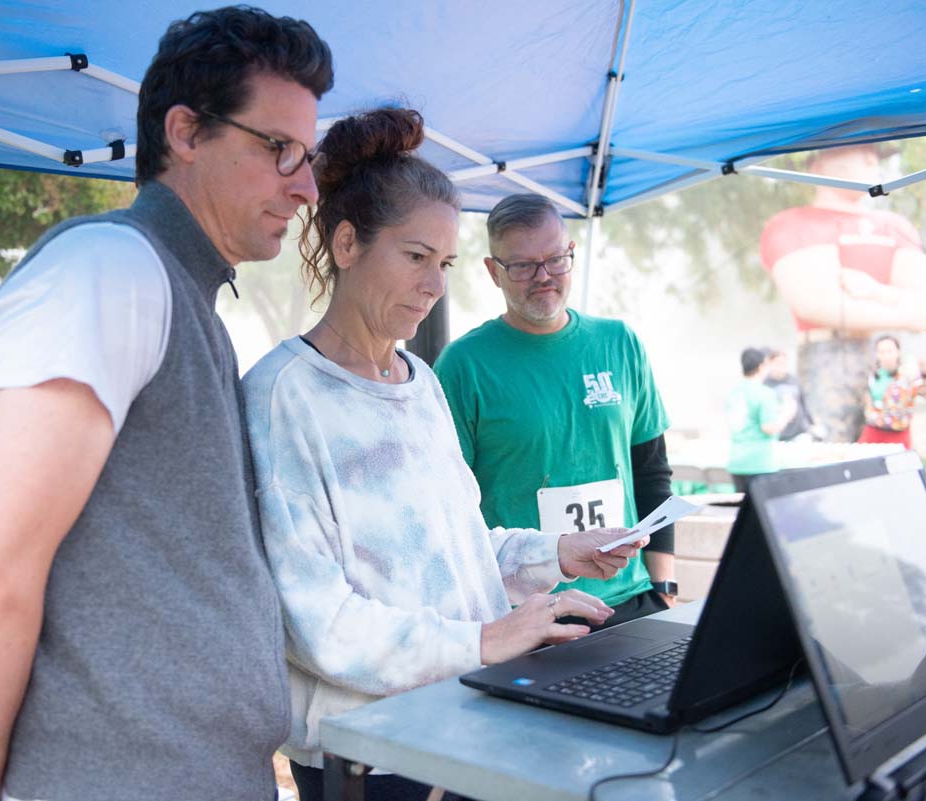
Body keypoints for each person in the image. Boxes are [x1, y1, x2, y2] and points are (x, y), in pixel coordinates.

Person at [0, 9, 333, 801]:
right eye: (279, 148)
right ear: (186, 132)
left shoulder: (184, 298)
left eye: (307, 156)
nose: (308, 186)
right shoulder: (109, 270)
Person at [241, 108, 646, 801]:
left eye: (446, 264)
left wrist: (557, 553)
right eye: (415, 257)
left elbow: (458, 554)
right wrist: (486, 639)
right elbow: (317, 624)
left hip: (463, 719)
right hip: (366, 754)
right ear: (345, 244)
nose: (434, 286)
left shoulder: (420, 382)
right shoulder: (284, 395)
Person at [434, 193, 680, 627]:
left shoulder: (620, 343)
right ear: (494, 272)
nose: (543, 277)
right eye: (523, 266)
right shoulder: (463, 365)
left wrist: (664, 587)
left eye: (555, 260)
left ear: (572, 254)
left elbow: (652, 471)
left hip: (631, 599)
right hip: (529, 614)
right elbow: (449, 508)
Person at [760, 143, 926, 442]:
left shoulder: (897, 227)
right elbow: (817, 304)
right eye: (858, 149)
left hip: (884, 360)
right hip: (827, 361)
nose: (870, 159)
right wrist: (899, 305)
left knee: (886, 453)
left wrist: (871, 292)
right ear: (816, 162)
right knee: (831, 452)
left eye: (875, 153)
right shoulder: (794, 224)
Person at [726, 347, 796, 492]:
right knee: (761, 513)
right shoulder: (764, 394)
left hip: (737, 462)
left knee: (743, 510)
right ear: (761, 366)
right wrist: (787, 413)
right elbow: (769, 428)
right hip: (760, 463)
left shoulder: (733, 392)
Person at [858, 334, 926, 449]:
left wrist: (925, 374)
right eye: (881, 352)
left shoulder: (908, 376)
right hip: (873, 431)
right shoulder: (871, 376)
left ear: (897, 352)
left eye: (889, 351)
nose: (886, 355)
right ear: (877, 354)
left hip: (898, 434)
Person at [763, 348, 819, 441]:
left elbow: (803, 403)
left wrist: (812, 424)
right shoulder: (765, 384)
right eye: (778, 363)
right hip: (778, 434)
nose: (781, 367)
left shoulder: (793, 380)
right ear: (770, 364)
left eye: (783, 363)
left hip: (799, 431)